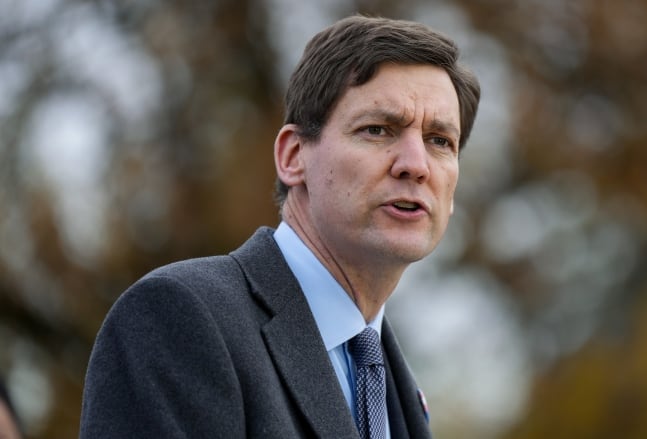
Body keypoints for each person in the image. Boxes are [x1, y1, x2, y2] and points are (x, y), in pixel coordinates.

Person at [80, 14, 480, 439]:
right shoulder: (177, 318)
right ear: (293, 157)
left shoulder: (398, 391)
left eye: (440, 141)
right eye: (378, 130)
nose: (416, 165)